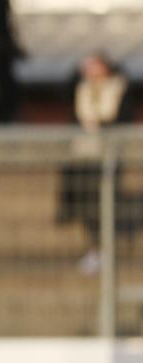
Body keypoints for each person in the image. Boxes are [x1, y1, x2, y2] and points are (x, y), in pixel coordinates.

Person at [57, 53, 134, 275]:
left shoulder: (120, 88)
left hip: (108, 156)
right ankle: (95, 247)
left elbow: (123, 119)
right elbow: (65, 91)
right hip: (84, 156)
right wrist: (79, 68)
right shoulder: (82, 88)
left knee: (105, 202)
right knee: (88, 204)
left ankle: (102, 249)